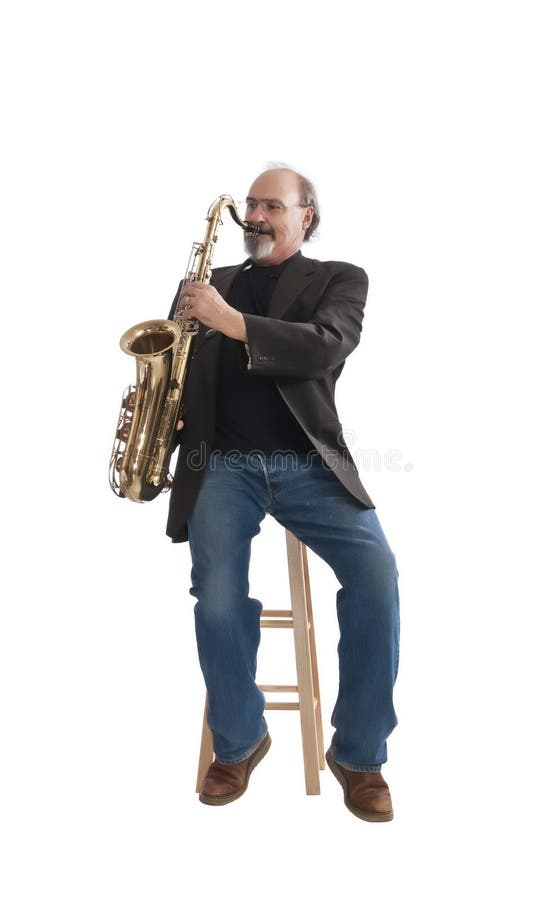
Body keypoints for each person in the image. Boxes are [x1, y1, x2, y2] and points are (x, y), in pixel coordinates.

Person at [168, 166, 400, 823]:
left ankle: (359, 755)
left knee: (377, 576)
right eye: (252, 204)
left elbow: (326, 348)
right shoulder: (207, 284)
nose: (258, 215)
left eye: (274, 204)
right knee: (214, 593)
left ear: (307, 217)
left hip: (307, 464)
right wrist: (168, 409)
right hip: (224, 464)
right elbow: (179, 363)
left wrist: (232, 322)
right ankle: (240, 740)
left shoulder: (338, 279)